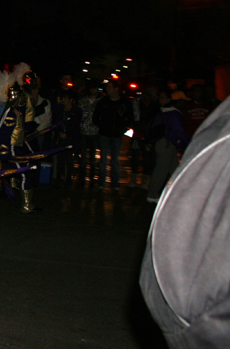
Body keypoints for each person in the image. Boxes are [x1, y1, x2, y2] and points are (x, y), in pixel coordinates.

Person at [139, 95, 230, 348]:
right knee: (168, 173)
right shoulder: (179, 114)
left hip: (184, 311)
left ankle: (156, 194)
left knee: (170, 173)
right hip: (169, 144)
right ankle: (153, 195)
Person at [0, 71, 36, 212]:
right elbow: (5, 134)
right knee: (24, 174)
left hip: (15, 148)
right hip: (11, 149)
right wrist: (5, 154)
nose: (24, 97)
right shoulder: (12, 113)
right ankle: (26, 205)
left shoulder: (16, 111)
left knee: (23, 172)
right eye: (21, 95)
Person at [145, 89, 190, 203]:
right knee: (161, 170)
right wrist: (189, 143)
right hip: (167, 144)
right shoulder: (173, 114)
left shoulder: (162, 111)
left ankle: (181, 192)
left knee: (175, 170)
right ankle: (152, 194)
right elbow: (179, 131)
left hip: (164, 144)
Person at [92, 80, 132, 191]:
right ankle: (101, 182)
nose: (107, 89)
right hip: (105, 134)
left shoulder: (124, 102)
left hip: (117, 135)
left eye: (110, 87)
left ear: (116, 89)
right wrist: (103, 126)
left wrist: (122, 128)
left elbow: (130, 117)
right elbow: (96, 117)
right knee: (103, 160)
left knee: (115, 160)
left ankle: (115, 184)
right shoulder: (104, 102)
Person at [53, 90, 82, 188]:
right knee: (60, 159)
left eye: (65, 98)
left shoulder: (76, 111)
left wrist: (68, 134)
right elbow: (55, 123)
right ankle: (59, 178)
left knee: (69, 159)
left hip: (71, 139)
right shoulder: (60, 110)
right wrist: (59, 132)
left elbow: (76, 126)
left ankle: (68, 178)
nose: (63, 100)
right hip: (61, 138)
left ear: (71, 100)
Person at [78, 80, 101, 184]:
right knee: (83, 158)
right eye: (92, 88)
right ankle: (82, 178)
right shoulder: (83, 100)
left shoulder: (101, 101)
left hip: (95, 133)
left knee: (93, 159)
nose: (93, 90)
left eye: (95, 88)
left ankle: (92, 178)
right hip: (83, 132)